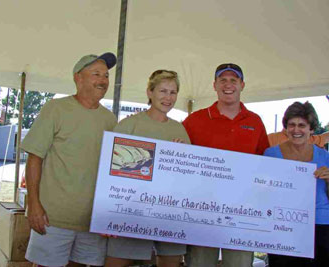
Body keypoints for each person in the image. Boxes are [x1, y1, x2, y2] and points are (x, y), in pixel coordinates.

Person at [21, 53, 117, 267]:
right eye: (96, 74)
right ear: (78, 78)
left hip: (92, 221)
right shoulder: (56, 109)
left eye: (106, 75)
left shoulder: (110, 120)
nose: (103, 80)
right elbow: (34, 158)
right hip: (52, 218)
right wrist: (34, 204)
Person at [182, 63, 269, 267]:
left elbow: (266, 162)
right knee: (199, 263)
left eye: (233, 80)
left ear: (242, 85)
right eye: (223, 80)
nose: (228, 85)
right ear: (214, 85)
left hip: (242, 211)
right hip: (201, 210)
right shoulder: (195, 119)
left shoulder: (255, 121)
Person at [105, 70, 190, 267]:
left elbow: (186, 177)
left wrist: (182, 156)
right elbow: (110, 173)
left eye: (173, 92)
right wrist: (108, 213)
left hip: (169, 211)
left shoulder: (180, 130)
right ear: (149, 92)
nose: (168, 97)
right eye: (162, 91)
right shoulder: (129, 126)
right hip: (130, 210)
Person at [264, 102, 329, 267]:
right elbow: (262, 192)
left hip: (320, 224)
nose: (296, 130)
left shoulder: (324, 156)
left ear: (311, 129)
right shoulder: (271, 155)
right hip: (283, 224)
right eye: (291, 125)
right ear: (285, 128)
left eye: (302, 125)